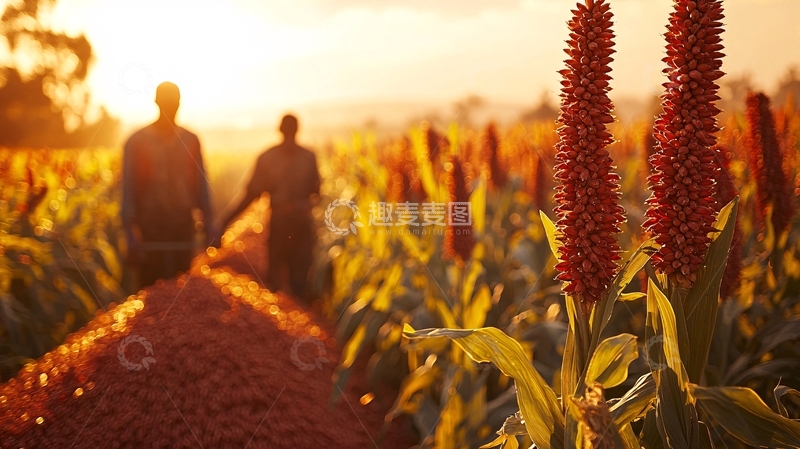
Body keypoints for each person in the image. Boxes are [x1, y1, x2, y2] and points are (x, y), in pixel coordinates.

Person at [121, 82, 215, 288]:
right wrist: (130, 231)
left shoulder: (190, 140)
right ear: (156, 103)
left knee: (183, 287)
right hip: (150, 227)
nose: (170, 110)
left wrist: (208, 222)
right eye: (165, 105)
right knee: (150, 287)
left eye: (173, 105)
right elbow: (128, 189)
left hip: (182, 225)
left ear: (180, 104)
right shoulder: (137, 142)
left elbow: (200, 183)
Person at [221, 114, 320, 301]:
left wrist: (225, 223)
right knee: (297, 280)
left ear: (279, 130)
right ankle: (294, 320)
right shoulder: (308, 157)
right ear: (297, 129)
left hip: (285, 223)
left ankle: (285, 320)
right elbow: (317, 192)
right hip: (298, 223)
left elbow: (250, 196)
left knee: (278, 280)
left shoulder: (269, 157)